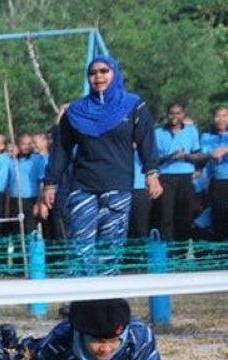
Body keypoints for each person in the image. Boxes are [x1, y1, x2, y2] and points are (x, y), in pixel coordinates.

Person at [40, 56, 162, 276]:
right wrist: (50, 183)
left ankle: (107, 305)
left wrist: (151, 173)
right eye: (93, 73)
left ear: (114, 73)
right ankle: (82, 305)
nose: (98, 77)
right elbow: (62, 149)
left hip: (117, 184)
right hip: (82, 186)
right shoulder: (76, 110)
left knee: (110, 248)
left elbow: (146, 141)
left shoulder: (133, 105)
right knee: (80, 246)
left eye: (104, 71)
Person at [11, 298, 162, 360]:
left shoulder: (140, 336)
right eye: (98, 342)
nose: (106, 349)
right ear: (81, 335)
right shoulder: (61, 338)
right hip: (35, 348)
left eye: (114, 341)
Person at [153, 103, 205, 242]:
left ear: (183, 114)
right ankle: (167, 251)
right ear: (167, 114)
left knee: (184, 215)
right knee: (166, 214)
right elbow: (153, 159)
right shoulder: (158, 133)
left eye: (178, 113)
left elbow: (198, 155)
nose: (175, 116)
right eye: (172, 113)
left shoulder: (191, 131)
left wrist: (186, 156)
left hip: (185, 177)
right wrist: (170, 157)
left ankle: (181, 252)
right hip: (166, 176)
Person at [7, 133, 47, 235]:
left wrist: (38, 203)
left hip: (30, 200)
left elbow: (42, 182)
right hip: (14, 200)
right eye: (24, 144)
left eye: (29, 144)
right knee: (16, 231)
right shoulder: (12, 161)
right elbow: (8, 185)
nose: (27, 147)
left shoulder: (36, 160)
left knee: (30, 231)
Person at [201, 105, 228, 241]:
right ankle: (221, 256)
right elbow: (203, 158)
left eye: (225, 116)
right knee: (219, 218)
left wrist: (226, 149)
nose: (221, 119)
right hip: (217, 182)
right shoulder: (206, 136)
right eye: (218, 116)